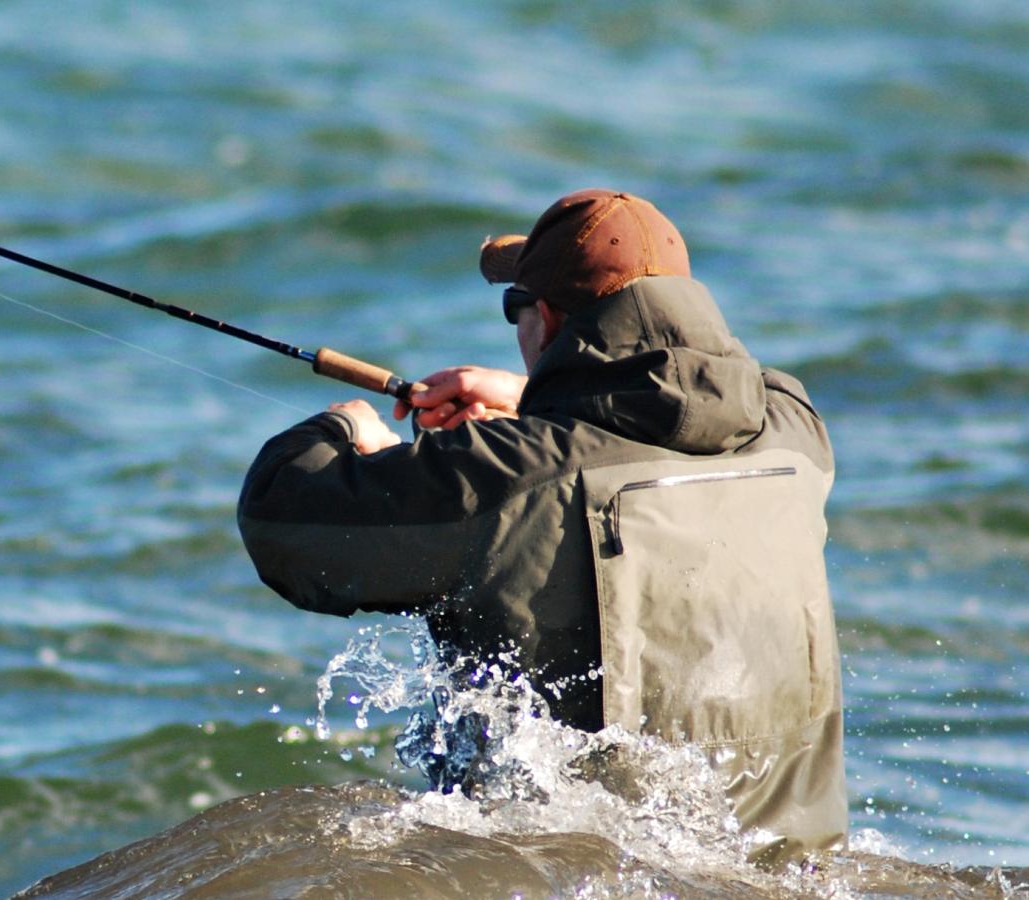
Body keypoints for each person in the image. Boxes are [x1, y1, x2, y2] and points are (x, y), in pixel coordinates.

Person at [237, 189, 846, 857]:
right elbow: (664, 407)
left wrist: (346, 427)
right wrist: (531, 402)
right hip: (799, 868)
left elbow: (282, 520)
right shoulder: (795, 432)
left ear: (549, 323)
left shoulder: (502, 479)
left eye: (515, 310)